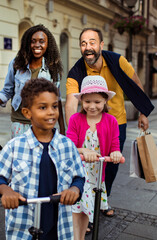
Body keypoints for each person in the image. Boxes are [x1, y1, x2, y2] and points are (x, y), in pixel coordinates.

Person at [65, 28, 154, 217]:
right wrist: (71, 131)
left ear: (101, 45)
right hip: (86, 122)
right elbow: (71, 101)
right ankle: (86, 206)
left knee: (111, 164)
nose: (87, 47)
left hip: (116, 122)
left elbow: (136, 83)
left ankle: (103, 199)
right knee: (85, 167)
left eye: (92, 42)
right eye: (83, 43)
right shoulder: (76, 71)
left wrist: (143, 112)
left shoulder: (117, 61)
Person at [0, 78, 85, 239]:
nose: (51, 112)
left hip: (59, 227)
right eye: (43, 107)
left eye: (54, 106)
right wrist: (6, 191)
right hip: (24, 226)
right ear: (27, 113)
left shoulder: (67, 145)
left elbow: (79, 177)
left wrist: (75, 189)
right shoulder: (15, 146)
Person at [0, 24, 65, 137]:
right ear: (28, 43)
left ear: (48, 44)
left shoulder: (52, 68)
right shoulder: (16, 64)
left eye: (41, 41)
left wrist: (62, 128)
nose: (37, 45)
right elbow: (7, 91)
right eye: (33, 41)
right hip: (19, 122)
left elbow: (56, 99)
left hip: (43, 123)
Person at [66, 75, 122, 239]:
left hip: (97, 172)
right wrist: (83, 150)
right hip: (79, 170)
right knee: (81, 203)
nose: (92, 106)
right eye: (87, 101)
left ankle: (82, 229)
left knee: (90, 204)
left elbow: (114, 142)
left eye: (97, 102)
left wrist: (115, 153)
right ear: (81, 100)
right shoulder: (76, 119)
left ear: (105, 101)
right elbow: (70, 145)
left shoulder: (111, 121)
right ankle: (79, 232)